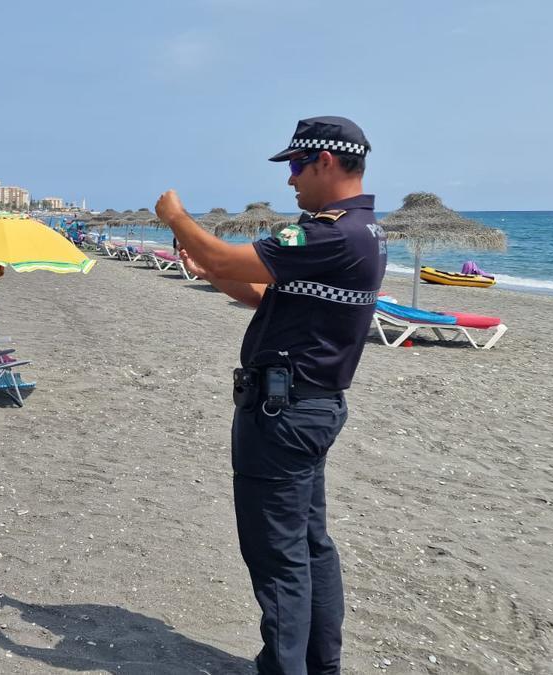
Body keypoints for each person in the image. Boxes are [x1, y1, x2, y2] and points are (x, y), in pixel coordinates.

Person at [155, 116, 386, 674]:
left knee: (278, 558)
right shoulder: (360, 232)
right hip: (309, 406)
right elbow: (263, 293)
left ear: (325, 161)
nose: (291, 181)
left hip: (283, 413)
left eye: (295, 166)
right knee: (309, 547)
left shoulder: (328, 231)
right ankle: (318, 666)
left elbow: (228, 257)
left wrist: (177, 218)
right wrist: (208, 267)